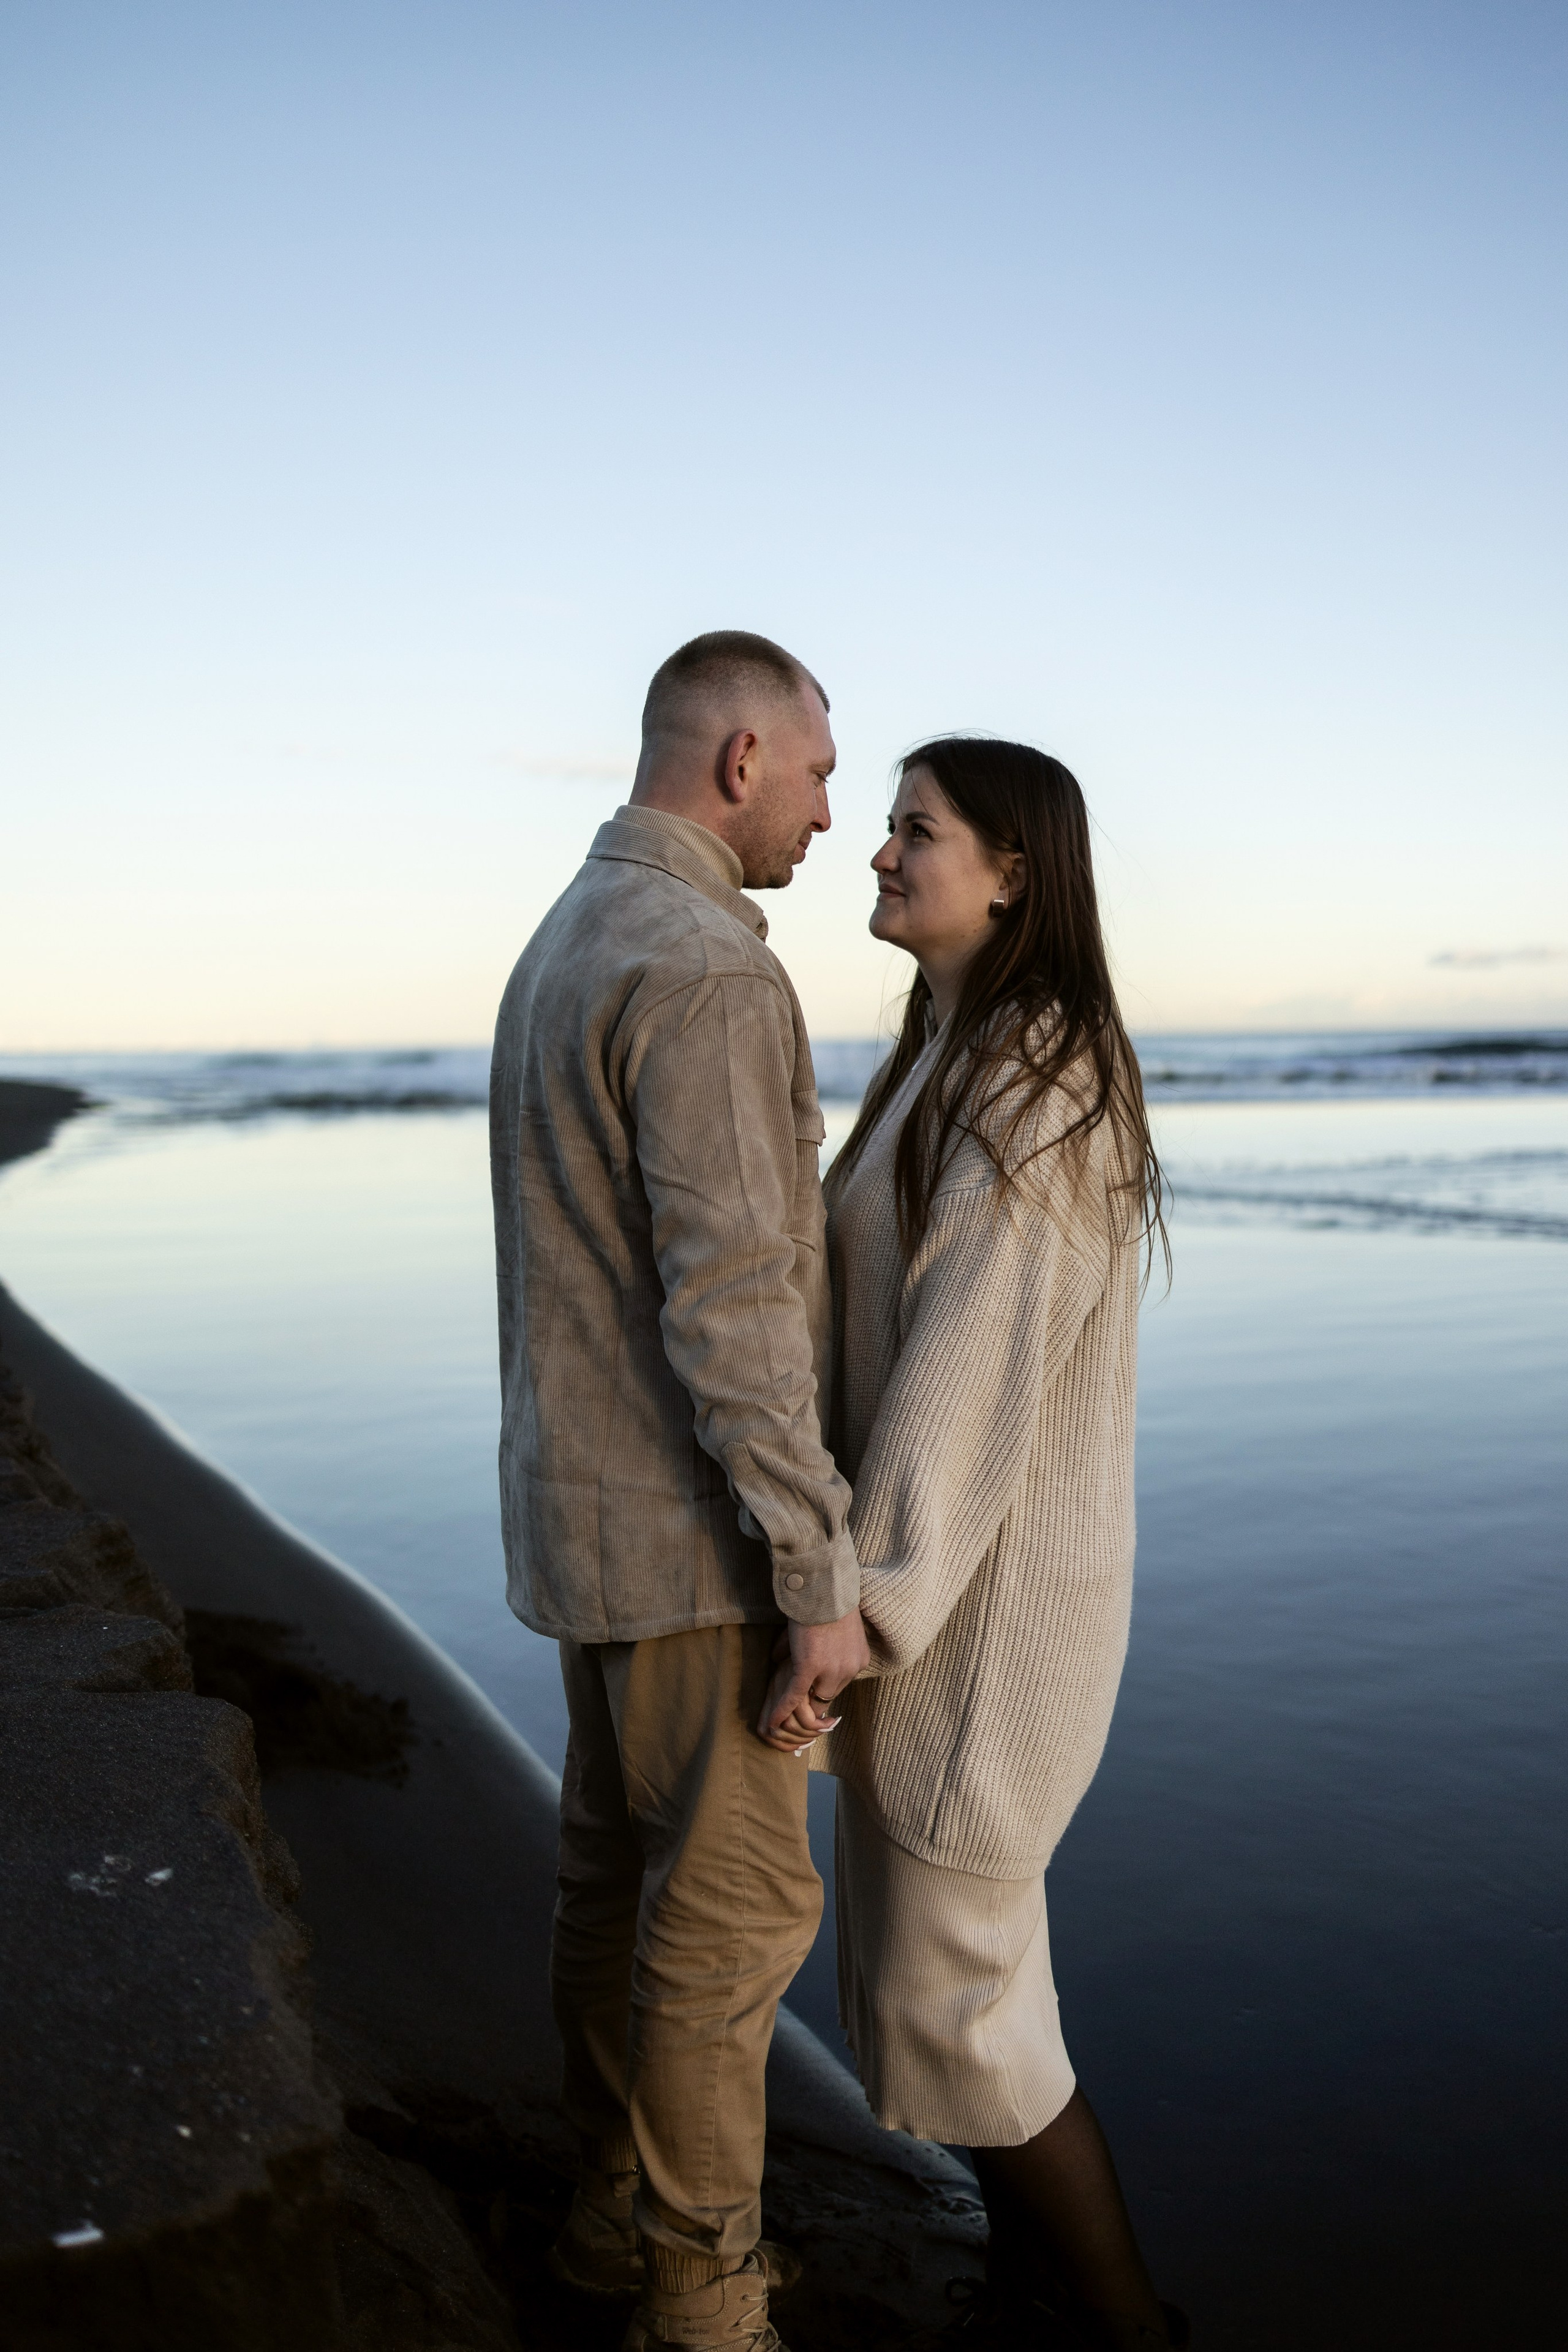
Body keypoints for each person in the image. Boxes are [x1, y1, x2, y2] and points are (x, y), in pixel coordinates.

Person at [763, 738, 1185, 2350]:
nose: (877, 852)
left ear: (1015, 869)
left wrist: (863, 1609)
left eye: (913, 830)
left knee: (976, 2008)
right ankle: (1040, 2299)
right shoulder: (951, 1048)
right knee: (961, 1991)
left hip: (990, 1609)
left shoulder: (1041, 1068)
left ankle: (1124, 2324)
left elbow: (972, 1353)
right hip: (943, 1579)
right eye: (880, 824)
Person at [490, 630, 869, 2352]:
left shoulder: (568, 935)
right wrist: (816, 1563)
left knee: (612, 1887)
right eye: (815, 774)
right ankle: (704, 2302)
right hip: (694, 1547)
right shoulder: (708, 965)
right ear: (737, 761)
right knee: (725, 1929)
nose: (826, 815)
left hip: (581, 1525)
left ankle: (600, 2222)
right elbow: (734, 1303)